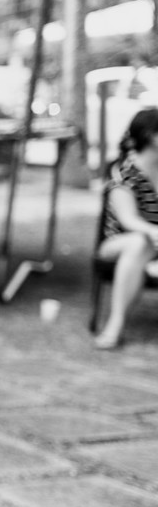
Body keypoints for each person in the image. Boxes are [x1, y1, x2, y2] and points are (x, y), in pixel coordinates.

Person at [94, 109, 158, 350]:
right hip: (118, 243)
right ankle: (115, 323)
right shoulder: (125, 172)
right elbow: (128, 220)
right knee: (139, 242)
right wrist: (154, 233)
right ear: (152, 136)